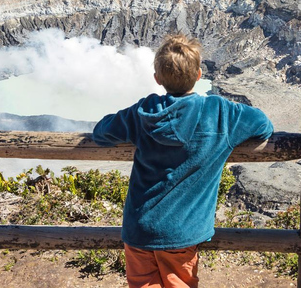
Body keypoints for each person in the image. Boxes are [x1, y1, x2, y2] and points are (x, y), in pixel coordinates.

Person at [92, 34, 274, 288]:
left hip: (139, 230)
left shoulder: (142, 113)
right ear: (199, 75)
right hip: (182, 233)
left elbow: (101, 132)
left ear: (157, 78)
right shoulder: (220, 113)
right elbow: (263, 125)